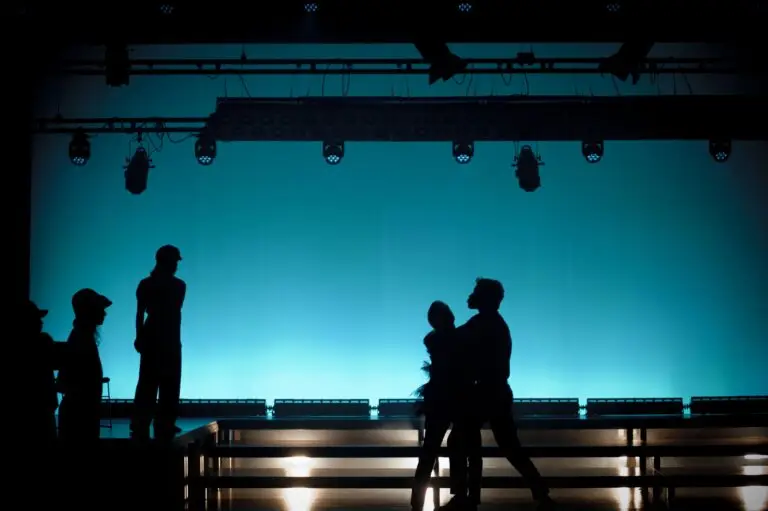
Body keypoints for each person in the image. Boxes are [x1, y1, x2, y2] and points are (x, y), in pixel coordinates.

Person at [461, 278, 555, 510]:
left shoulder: (484, 324)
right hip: (495, 392)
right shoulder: (491, 323)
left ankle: (471, 497)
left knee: (478, 444)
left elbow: (459, 341)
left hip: (488, 392)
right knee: (507, 447)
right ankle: (540, 491)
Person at [411, 301, 479, 511]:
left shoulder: (437, 340)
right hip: (455, 401)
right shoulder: (458, 338)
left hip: (439, 402)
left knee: (430, 452)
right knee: (456, 448)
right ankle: (461, 496)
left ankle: (418, 502)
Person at [130, 244, 186, 441]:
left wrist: (139, 336)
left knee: (158, 381)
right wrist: (140, 336)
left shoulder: (150, 285)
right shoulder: (177, 286)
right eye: (173, 262)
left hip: (162, 336)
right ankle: (153, 421)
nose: (176, 266)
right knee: (156, 381)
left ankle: (152, 421)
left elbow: (140, 313)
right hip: (163, 337)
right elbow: (140, 313)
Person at [57, 288, 112, 444]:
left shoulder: (81, 336)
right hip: (81, 415)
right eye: (100, 309)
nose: (104, 313)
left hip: (79, 412)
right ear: (90, 311)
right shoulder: (83, 339)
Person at [24, 299, 61, 445]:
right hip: (44, 406)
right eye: (36, 318)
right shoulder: (43, 341)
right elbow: (57, 361)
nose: (41, 322)